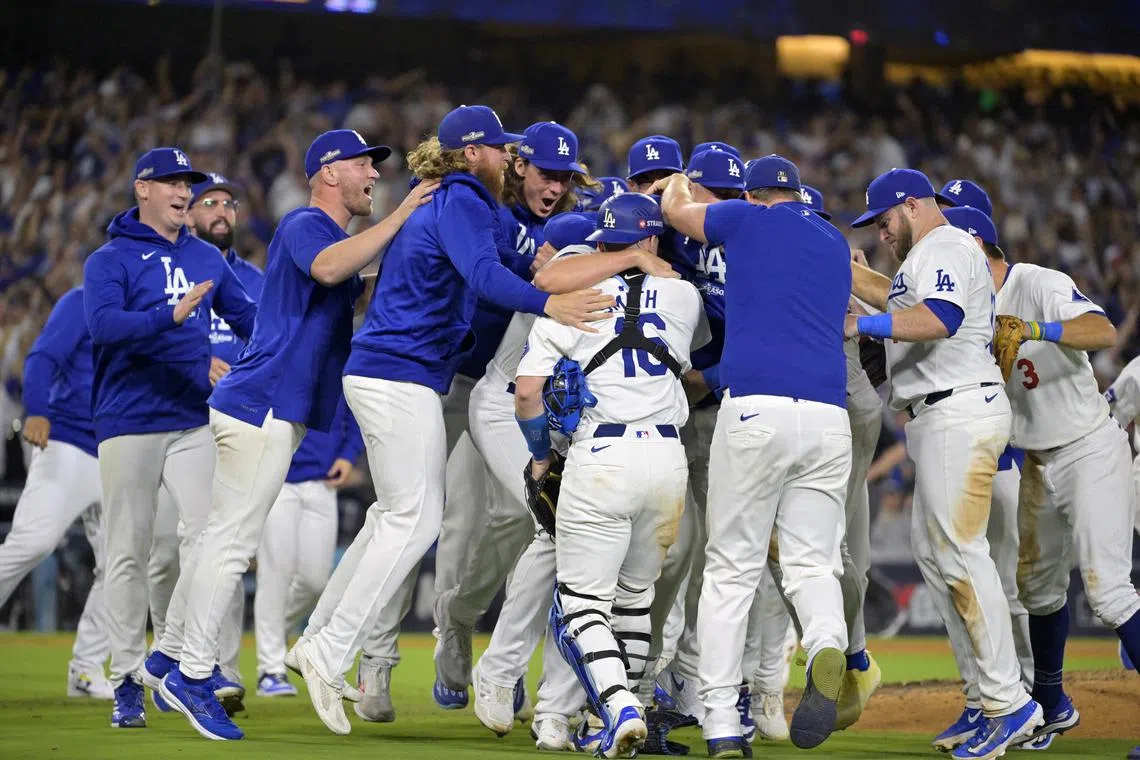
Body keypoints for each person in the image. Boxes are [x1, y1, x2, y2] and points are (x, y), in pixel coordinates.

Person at [286, 105, 612, 736]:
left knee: (394, 516)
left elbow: (500, 267)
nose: (507, 158)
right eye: (499, 149)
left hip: (400, 372)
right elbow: (489, 278)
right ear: (473, 154)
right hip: (401, 373)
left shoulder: (455, 200)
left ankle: (321, 636)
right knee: (417, 519)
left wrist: (548, 264)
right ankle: (334, 653)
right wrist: (552, 298)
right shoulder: (464, 199)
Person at [152, 129, 432, 741]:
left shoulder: (331, 235)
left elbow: (352, 282)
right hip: (263, 404)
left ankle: (167, 653)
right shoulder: (308, 225)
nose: (373, 177)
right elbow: (333, 269)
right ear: (328, 172)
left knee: (216, 541)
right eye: (363, 165)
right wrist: (406, 214)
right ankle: (192, 674)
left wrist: (407, 243)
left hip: (266, 403)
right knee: (229, 546)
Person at [658, 156, 853, 756]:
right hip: (828, 417)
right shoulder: (835, 241)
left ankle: (720, 720)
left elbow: (675, 212)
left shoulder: (746, 219)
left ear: (755, 194)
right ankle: (825, 644)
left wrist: (675, 183)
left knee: (730, 571)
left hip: (756, 412)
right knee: (813, 565)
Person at [846, 169, 1043, 759]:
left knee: (959, 553)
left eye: (884, 220)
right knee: (938, 557)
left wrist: (863, 322)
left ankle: (1010, 704)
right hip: (939, 415)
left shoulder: (947, 243)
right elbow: (903, 298)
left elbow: (940, 318)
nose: (881, 233)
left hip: (959, 410)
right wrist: (855, 279)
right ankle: (986, 699)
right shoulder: (927, 255)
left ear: (911, 207)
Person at [517, 191, 707, 758]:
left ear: (600, 242)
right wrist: (638, 259)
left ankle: (620, 708)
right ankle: (617, 712)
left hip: (601, 457)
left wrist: (541, 455)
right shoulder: (684, 295)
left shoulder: (570, 295)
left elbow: (527, 393)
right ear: (652, 240)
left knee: (580, 604)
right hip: (667, 459)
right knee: (634, 601)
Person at [950, 204, 1140, 747]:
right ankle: (1052, 703)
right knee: (1038, 592)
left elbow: (1102, 330)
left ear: (978, 249)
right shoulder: (967, 308)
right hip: (1036, 460)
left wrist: (1037, 327)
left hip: (1089, 447)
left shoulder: (1037, 282)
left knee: (1109, 594)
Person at [83, 147, 258, 730]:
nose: (184, 192)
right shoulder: (110, 259)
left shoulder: (206, 254)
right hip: (127, 418)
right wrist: (170, 317)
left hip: (191, 416)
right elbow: (103, 327)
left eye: (190, 183)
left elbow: (249, 320)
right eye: (173, 183)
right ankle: (127, 679)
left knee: (210, 536)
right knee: (126, 554)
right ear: (143, 189)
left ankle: (172, 654)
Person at [432, 121, 594, 709]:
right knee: (444, 520)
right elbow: (485, 273)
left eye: (565, 178)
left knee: (521, 520)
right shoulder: (487, 213)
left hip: (532, 396)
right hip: (468, 380)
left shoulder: (575, 230)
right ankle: (415, 640)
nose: (555, 187)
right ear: (519, 165)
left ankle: (469, 621)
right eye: (547, 174)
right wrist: (543, 274)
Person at [146, 172, 265, 716]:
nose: (219, 209)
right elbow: (142, 334)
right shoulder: (170, 272)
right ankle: (166, 661)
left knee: (220, 547)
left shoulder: (258, 281)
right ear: (187, 215)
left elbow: (267, 334)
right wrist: (197, 365)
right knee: (167, 555)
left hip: (232, 428)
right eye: (207, 202)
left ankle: (218, 669)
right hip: (172, 420)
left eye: (227, 202)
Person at [0, 288, 112, 700]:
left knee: (121, 565)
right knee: (33, 542)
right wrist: (38, 410)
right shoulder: (85, 299)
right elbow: (43, 356)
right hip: (67, 441)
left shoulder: (154, 310)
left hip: (120, 450)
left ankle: (86, 669)